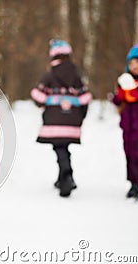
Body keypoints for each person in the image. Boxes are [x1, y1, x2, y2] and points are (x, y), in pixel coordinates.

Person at [30, 39, 92, 197]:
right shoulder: (77, 75)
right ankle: (63, 177)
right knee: (63, 148)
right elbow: (86, 98)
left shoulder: (50, 75)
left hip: (54, 121)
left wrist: (47, 102)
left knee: (59, 148)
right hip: (72, 121)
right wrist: (80, 116)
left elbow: (37, 95)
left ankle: (66, 177)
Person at [112, 44, 138, 201]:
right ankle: (133, 184)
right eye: (132, 63)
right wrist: (121, 94)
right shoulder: (125, 81)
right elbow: (117, 101)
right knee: (129, 155)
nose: (135, 66)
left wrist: (135, 94)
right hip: (128, 128)